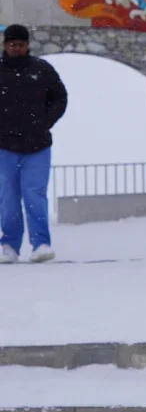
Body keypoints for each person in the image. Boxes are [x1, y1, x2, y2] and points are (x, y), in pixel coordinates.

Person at [0, 24, 67, 263]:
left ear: (27, 45)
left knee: (35, 195)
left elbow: (60, 97)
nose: (16, 48)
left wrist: (45, 122)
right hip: (4, 146)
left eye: (20, 44)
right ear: (5, 45)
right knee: (7, 197)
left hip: (38, 145)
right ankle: (9, 245)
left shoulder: (42, 69)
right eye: (11, 44)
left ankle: (41, 244)